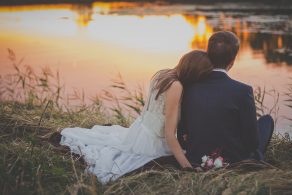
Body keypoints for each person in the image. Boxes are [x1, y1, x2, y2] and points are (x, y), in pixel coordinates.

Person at [60, 50, 213, 183]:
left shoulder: (164, 73)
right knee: (182, 156)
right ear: (195, 73)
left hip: (139, 130)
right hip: (151, 141)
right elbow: (169, 134)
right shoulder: (176, 86)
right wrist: (187, 168)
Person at [178, 31, 274, 166]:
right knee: (266, 121)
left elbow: (182, 134)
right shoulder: (243, 91)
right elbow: (252, 143)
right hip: (234, 159)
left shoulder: (188, 87)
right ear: (232, 61)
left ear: (208, 55)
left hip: (196, 157)